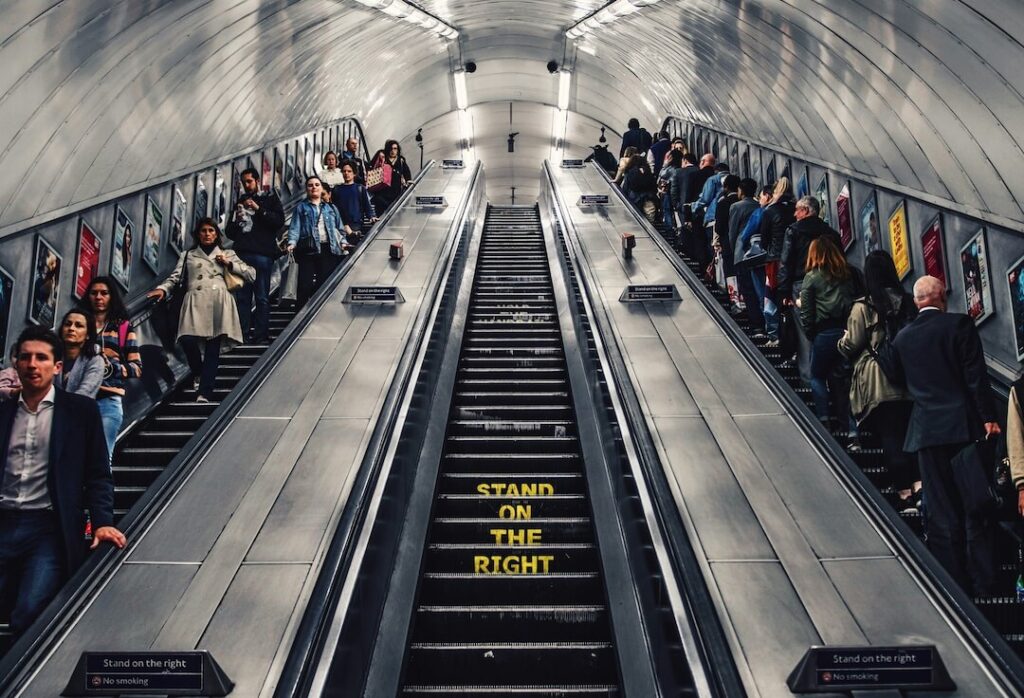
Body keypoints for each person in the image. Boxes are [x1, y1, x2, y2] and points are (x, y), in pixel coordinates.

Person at [0, 326, 126, 635]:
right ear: (15, 364)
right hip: (3, 521)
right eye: (25, 357)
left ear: (57, 367)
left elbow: (98, 473)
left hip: (47, 528)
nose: (32, 365)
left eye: (41, 358)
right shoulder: (3, 412)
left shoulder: (79, 411)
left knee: (30, 611)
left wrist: (102, 521)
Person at [892, 275, 999, 596]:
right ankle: (986, 585)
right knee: (975, 507)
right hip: (963, 430)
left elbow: (898, 381)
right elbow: (974, 376)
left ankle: (954, 588)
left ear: (916, 302)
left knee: (941, 512)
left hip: (926, 433)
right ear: (943, 297)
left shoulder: (901, 339)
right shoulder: (959, 326)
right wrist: (989, 418)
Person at [838, 251, 919, 509]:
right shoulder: (907, 301)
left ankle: (904, 492)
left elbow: (853, 343)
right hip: (908, 377)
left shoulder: (863, 306)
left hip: (878, 379)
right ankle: (920, 487)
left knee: (890, 435)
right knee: (910, 433)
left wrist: (841, 342)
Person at [147, 218, 255, 402]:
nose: (207, 234)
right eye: (204, 231)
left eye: (211, 231)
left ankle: (205, 392)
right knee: (187, 340)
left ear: (216, 234)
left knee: (213, 349)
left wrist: (229, 264)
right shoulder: (188, 255)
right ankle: (198, 372)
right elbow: (175, 278)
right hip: (194, 302)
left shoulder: (227, 253)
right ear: (198, 234)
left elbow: (251, 274)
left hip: (218, 303)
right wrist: (163, 289)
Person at [79, 277, 142, 462]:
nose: (99, 297)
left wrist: (111, 367)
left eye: (104, 293)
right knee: (75, 456)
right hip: (79, 398)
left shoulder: (121, 327)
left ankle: (99, 491)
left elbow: (137, 368)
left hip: (108, 400)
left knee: (102, 458)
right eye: (94, 293)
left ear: (111, 297)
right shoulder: (78, 325)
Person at [778, 196, 841, 381]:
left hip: (800, 284)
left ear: (806, 211)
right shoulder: (830, 232)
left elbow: (786, 262)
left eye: (797, 209)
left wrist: (783, 292)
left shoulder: (793, 231)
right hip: (831, 283)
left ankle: (809, 377)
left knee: (804, 332)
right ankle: (833, 377)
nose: (794, 213)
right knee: (828, 327)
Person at [799, 236, 859, 431]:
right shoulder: (846, 274)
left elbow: (807, 310)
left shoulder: (812, 277)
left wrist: (810, 333)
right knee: (844, 380)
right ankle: (852, 430)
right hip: (845, 331)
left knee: (817, 376)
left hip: (823, 333)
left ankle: (824, 420)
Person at [225, 167, 285, 345]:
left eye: (249, 181)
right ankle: (242, 334)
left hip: (262, 255)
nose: (246, 185)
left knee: (262, 297)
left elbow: (278, 222)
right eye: (244, 182)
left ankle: (261, 334)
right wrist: (236, 220)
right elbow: (229, 233)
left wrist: (258, 209)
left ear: (257, 181)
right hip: (242, 255)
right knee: (243, 298)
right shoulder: (240, 203)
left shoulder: (270, 199)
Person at [285, 176, 348, 307]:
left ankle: (319, 310)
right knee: (305, 284)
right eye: (310, 185)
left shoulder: (331, 208)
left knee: (325, 283)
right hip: (307, 250)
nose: (314, 187)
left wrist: (342, 242)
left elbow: (339, 229)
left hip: (327, 249)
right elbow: (295, 227)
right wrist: (292, 242)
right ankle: (300, 313)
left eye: (317, 185)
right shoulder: (301, 208)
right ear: (307, 190)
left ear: (321, 189)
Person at [728, 178, 764, 333]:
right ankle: (762, 322)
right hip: (759, 253)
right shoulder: (759, 206)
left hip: (742, 253)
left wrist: (733, 251)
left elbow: (733, 232)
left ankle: (755, 323)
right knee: (759, 288)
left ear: (740, 191)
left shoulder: (736, 206)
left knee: (747, 289)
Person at [58, 309, 104, 397]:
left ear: (88, 335)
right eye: (67, 324)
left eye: (78, 326)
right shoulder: (52, 355)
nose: (71, 328)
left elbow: (84, 394)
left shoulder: (95, 361)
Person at [332, 161, 377, 244]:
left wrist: (371, 216)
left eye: (349, 171)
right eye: (344, 171)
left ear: (354, 173)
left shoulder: (360, 188)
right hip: (340, 224)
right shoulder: (336, 189)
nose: (346, 173)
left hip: (355, 224)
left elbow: (367, 206)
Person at [369, 140, 412, 215]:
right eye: (391, 149)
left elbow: (407, 172)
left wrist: (408, 181)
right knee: (380, 213)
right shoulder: (382, 158)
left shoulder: (401, 160)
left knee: (395, 213)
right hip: (382, 192)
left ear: (398, 150)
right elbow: (371, 167)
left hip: (395, 193)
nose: (393, 151)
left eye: (395, 149)